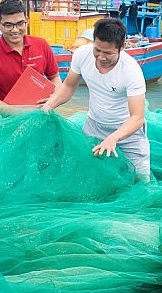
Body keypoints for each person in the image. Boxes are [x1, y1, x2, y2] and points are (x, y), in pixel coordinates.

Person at [42, 18, 150, 180]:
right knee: (88, 173)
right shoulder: (82, 55)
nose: (101, 57)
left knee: (141, 179)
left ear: (122, 47)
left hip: (128, 132)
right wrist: (50, 105)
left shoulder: (131, 71)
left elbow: (137, 117)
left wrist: (113, 138)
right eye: (97, 50)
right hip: (94, 126)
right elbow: (69, 86)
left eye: (108, 53)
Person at [0, 0, 59, 106]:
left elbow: (54, 77)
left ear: (27, 21)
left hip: (42, 113)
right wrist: (21, 112)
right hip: (9, 119)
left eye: (20, 24)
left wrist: (55, 97)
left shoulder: (42, 45)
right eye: (8, 25)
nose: (15, 30)